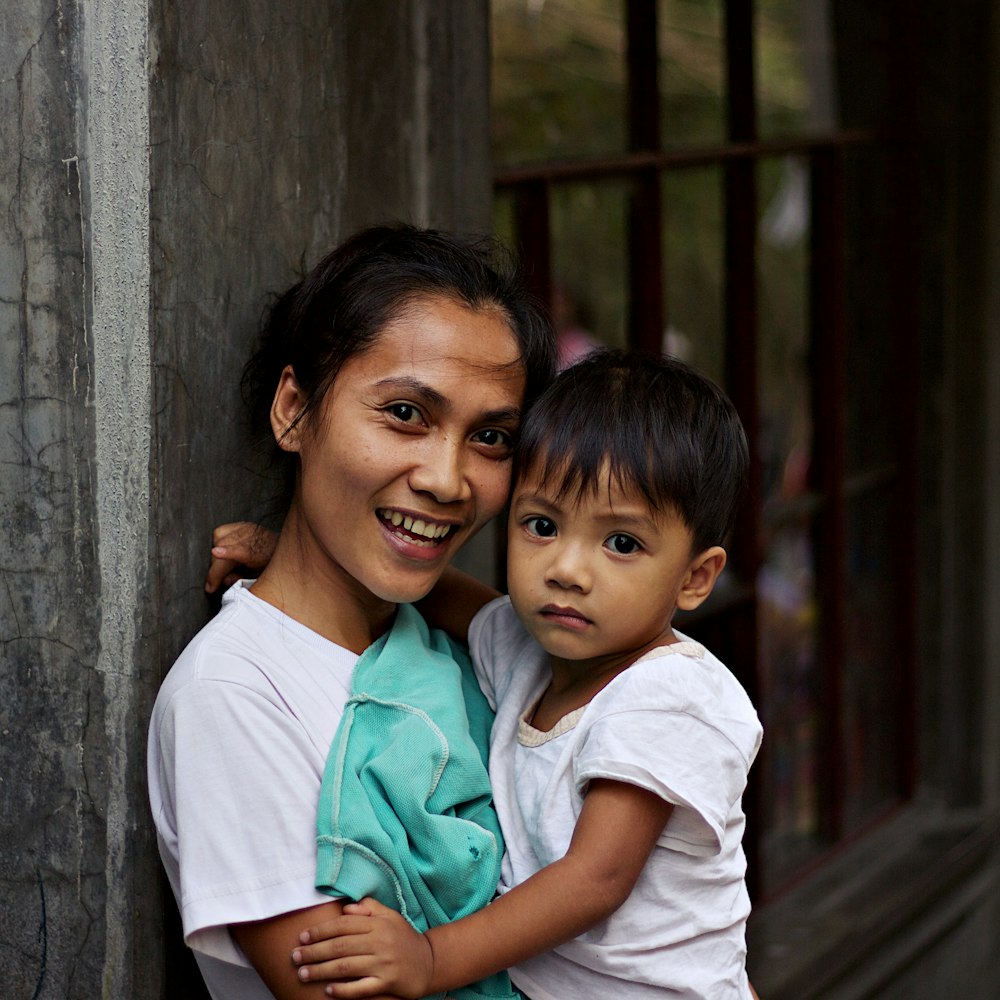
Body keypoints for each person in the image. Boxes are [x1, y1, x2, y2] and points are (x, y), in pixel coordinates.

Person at [147, 223, 556, 1000]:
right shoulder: (235, 698)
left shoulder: (463, 647)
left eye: (491, 437)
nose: (447, 479)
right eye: (405, 412)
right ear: (295, 411)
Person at [288, 349, 762, 999]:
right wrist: (291, 560)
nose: (567, 568)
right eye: (542, 525)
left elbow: (593, 881)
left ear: (695, 577)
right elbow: (429, 589)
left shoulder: (666, 697)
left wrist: (429, 959)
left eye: (621, 543)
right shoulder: (527, 643)